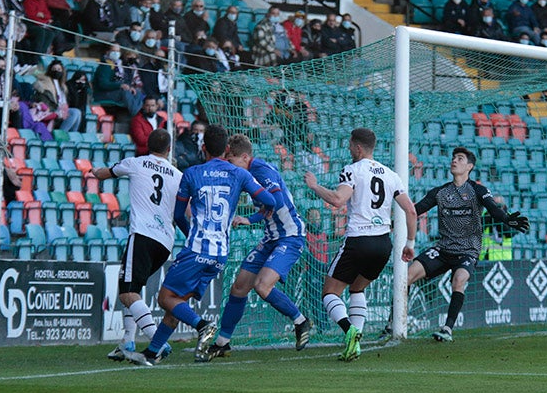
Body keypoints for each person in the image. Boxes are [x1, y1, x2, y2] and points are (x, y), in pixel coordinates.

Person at [126, 124, 278, 365]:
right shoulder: (240, 174)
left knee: (165, 298)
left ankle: (203, 325)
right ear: (227, 149)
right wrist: (261, 214)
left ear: (203, 148)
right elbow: (270, 199)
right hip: (220, 255)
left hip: (197, 249)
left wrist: (190, 235)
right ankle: (152, 353)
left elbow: (178, 215)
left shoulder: (192, 173)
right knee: (177, 302)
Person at [303, 128, 417, 361]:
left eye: (349, 145)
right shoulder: (391, 174)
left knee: (329, 293)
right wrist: (410, 243)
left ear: (357, 147)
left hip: (358, 240)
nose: (347, 149)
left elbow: (337, 200)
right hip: (383, 244)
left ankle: (349, 329)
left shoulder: (352, 170)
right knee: (357, 288)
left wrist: (314, 186)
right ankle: (354, 346)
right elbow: (411, 210)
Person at [391, 147, 527, 343]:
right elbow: (417, 210)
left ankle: (447, 328)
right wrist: (394, 223)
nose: (454, 161)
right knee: (405, 277)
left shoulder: (477, 190)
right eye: (453, 158)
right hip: (443, 249)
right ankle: (393, 324)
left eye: (460, 158)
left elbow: (493, 210)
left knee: (459, 280)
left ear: (469, 166)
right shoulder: (440, 192)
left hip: (467, 251)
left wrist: (507, 219)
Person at [205, 134, 313, 357]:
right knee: (239, 286)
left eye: (232, 160)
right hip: (271, 237)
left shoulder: (262, 171)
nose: (231, 165)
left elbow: (278, 201)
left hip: (290, 236)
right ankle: (223, 341)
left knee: (262, 287)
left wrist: (250, 219)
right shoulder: (246, 172)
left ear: (245, 157)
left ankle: (301, 321)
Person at [94, 129, 181, 362]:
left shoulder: (136, 163)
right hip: (165, 242)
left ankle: (157, 341)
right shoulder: (177, 174)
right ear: (169, 150)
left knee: (127, 292)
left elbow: (104, 174)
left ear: (146, 146)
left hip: (143, 234)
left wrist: (93, 171)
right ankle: (127, 341)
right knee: (133, 288)